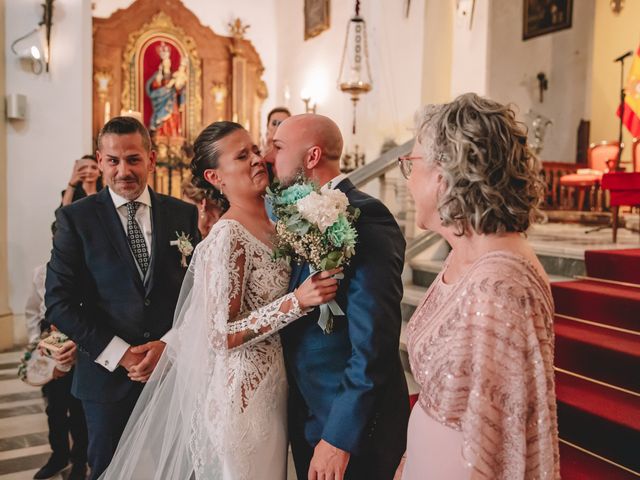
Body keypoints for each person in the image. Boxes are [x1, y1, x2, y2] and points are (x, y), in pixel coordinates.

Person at [100, 121, 340, 480]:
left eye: (255, 150)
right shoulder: (228, 236)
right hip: (242, 401)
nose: (258, 160)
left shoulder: (279, 220)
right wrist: (296, 302)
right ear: (216, 177)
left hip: (276, 386)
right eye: (242, 156)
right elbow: (219, 334)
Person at [395, 93, 559, 479]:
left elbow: (504, 439)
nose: (408, 180)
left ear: (443, 176)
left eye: (411, 164)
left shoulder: (500, 288)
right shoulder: (460, 252)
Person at [45, 116, 200, 480]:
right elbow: (59, 302)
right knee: (108, 471)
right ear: (100, 161)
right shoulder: (76, 220)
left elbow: (197, 291)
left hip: (172, 375)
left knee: (181, 470)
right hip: (105, 380)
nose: (123, 171)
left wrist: (167, 345)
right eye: (113, 161)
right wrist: (122, 353)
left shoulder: (183, 213)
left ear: (151, 158)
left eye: (133, 159)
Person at [264, 114, 409, 480]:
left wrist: (339, 438)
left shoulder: (367, 218)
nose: (268, 156)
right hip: (309, 412)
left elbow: (374, 340)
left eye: (278, 147)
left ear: (312, 157)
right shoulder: (295, 214)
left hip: (353, 429)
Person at [26, 222, 88, 480]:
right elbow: (32, 311)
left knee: (79, 410)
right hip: (50, 345)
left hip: (80, 347)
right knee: (54, 407)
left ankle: (79, 461)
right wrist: (36, 343)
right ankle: (58, 453)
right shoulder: (41, 272)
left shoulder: (87, 272)